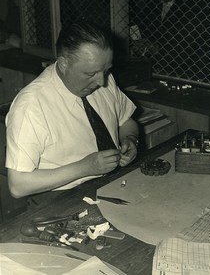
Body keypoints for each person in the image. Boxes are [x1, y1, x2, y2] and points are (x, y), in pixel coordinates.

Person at [5, 21, 139, 201]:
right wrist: (86, 167)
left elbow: (126, 122)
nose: (101, 81)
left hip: (111, 184)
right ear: (63, 64)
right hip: (58, 198)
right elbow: (18, 185)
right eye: (90, 74)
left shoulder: (103, 77)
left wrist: (130, 140)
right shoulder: (31, 106)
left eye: (106, 70)